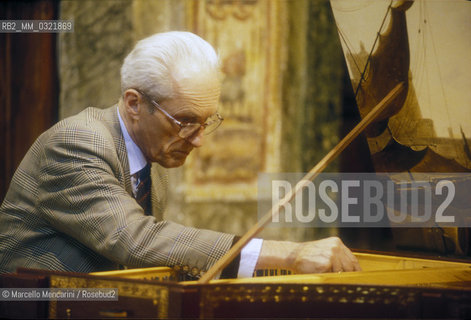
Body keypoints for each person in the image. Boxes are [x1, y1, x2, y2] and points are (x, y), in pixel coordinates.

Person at [0, 31, 360, 278]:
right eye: (185, 121)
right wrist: (291, 255)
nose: (198, 140)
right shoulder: (78, 142)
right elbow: (137, 241)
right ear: (134, 103)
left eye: (207, 121)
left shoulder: (152, 160)